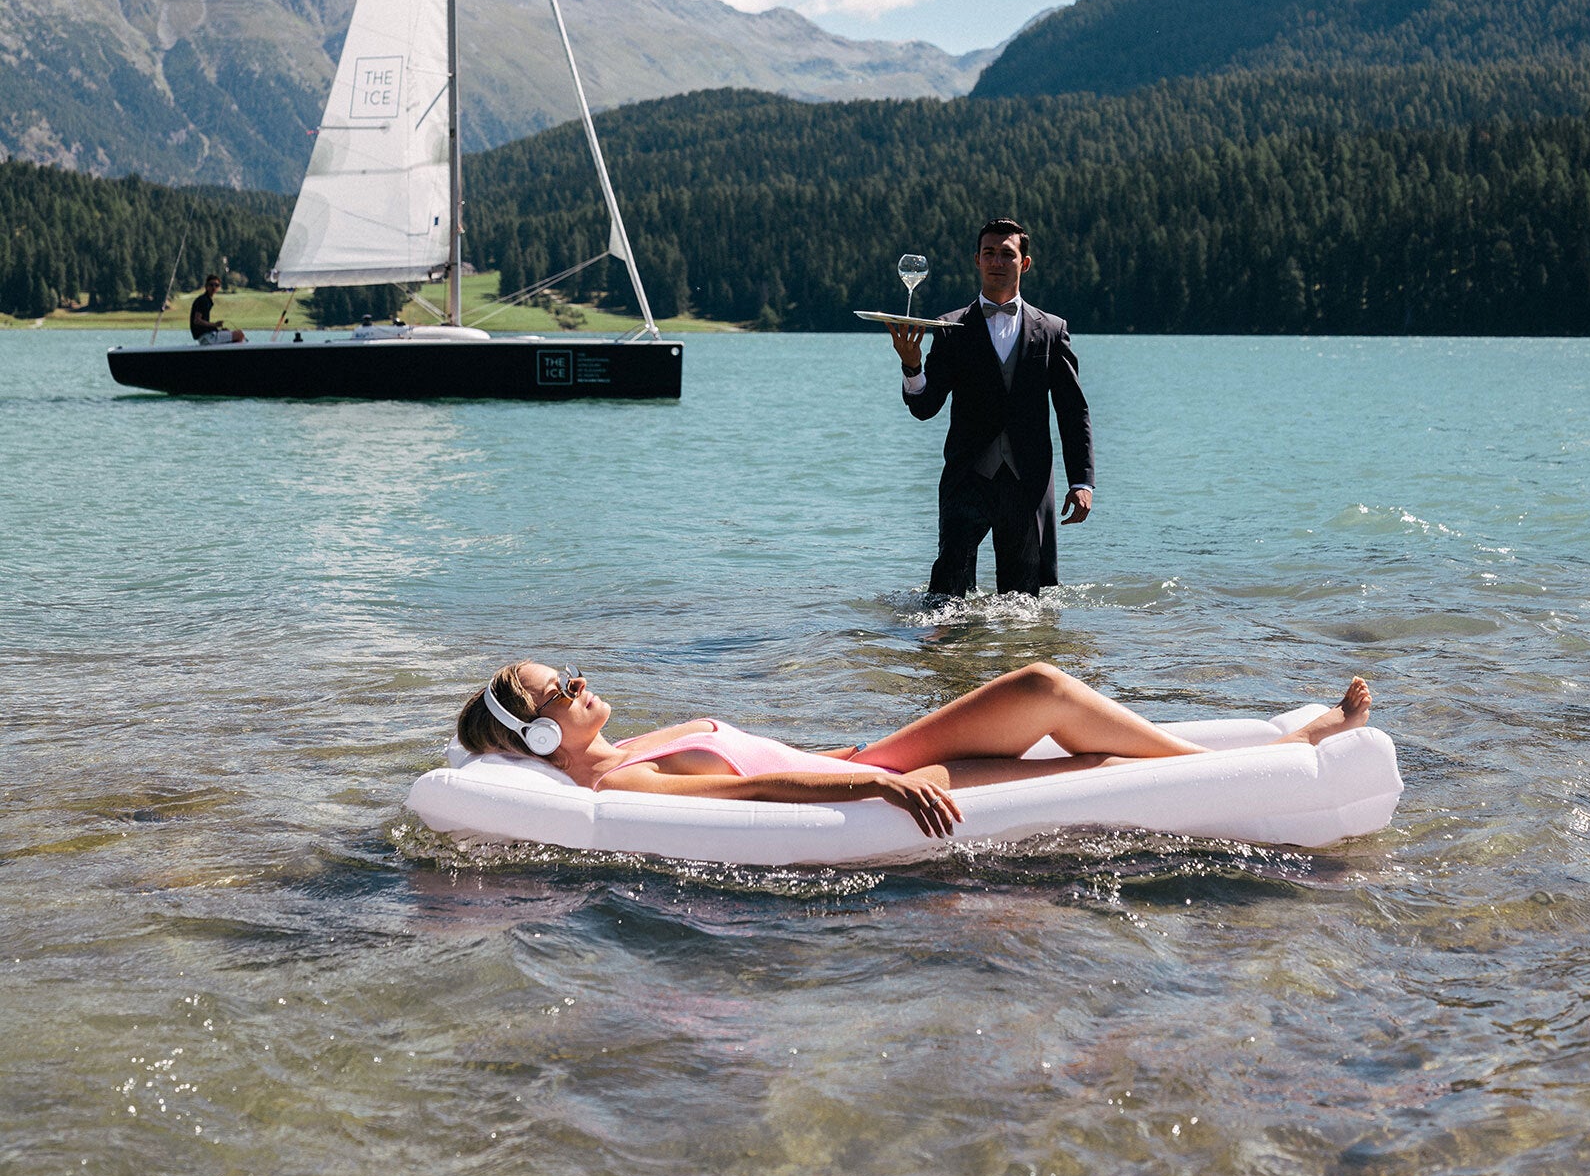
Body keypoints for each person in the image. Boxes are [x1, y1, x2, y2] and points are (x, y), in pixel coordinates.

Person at [458, 659, 1375, 841]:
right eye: (558, 691)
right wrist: (882, 792)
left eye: (568, 673)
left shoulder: (633, 741)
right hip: (875, 782)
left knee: (1052, 710)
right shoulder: (625, 779)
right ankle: (1288, 748)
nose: (579, 684)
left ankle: (1282, 741)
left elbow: (756, 754)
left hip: (870, 757)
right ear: (539, 734)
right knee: (1047, 698)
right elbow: (749, 796)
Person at [886, 217, 1092, 600]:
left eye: (1007, 254)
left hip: (1027, 482)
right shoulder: (949, 327)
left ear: (1024, 263)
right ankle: (947, 660)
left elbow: (1072, 411)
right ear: (977, 261)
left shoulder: (1051, 329)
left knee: (1025, 603)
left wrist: (1081, 481)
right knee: (945, 598)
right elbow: (925, 407)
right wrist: (912, 365)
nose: (997, 261)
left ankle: (1022, 661)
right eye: (989, 253)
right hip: (967, 479)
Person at [189, 274, 244, 345]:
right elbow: (197, 321)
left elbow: (204, 324)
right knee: (240, 335)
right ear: (206, 286)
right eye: (211, 285)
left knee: (228, 332)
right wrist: (214, 325)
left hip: (206, 336)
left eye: (216, 285)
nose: (214, 287)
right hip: (206, 337)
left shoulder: (207, 300)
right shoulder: (203, 300)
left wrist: (217, 329)